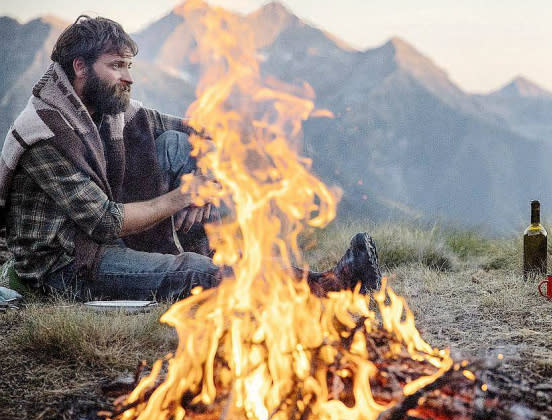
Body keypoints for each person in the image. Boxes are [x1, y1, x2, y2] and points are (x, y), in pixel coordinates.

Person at [0, 15, 380, 301]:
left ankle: (217, 252)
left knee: (176, 145)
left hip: (104, 235)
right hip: (68, 264)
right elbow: (103, 221)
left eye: (128, 66)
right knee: (191, 273)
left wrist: (211, 172)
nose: (128, 77)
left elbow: (194, 131)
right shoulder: (46, 134)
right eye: (116, 66)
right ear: (80, 67)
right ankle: (323, 286)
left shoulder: (103, 110)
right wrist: (181, 197)